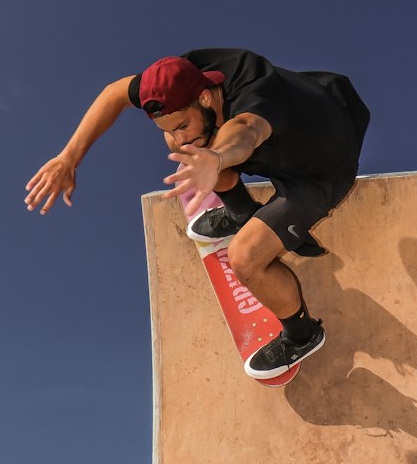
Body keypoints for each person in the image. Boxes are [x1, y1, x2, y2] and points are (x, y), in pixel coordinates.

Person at [25, 48, 370, 381]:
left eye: (182, 124)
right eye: (169, 126)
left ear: (205, 97)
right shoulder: (179, 77)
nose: (179, 134)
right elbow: (113, 93)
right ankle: (240, 212)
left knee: (245, 258)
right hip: (276, 142)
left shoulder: (257, 98)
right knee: (188, 148)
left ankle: (302, 335)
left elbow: (247, 129)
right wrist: (68, 158)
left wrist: (216, 159)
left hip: (320, 167)